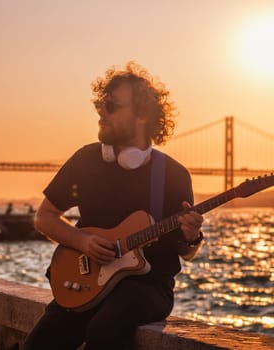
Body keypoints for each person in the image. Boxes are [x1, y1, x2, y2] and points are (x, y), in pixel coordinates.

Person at [23, 62, 204, 350]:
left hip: (146, 288)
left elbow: (185, 250)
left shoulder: (172, 175)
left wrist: (191, 235)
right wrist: (81, 240)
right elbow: (44, 217)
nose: (100, 111)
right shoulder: (85, 161)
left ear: (142, 114)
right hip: (88, 283)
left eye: (111, 105)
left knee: (104, 330)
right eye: (100, 104)